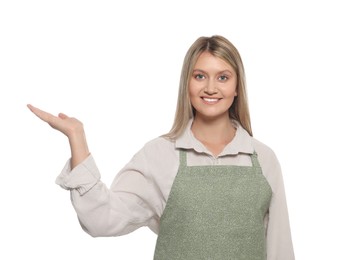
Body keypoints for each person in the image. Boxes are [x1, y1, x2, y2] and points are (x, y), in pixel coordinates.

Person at [27, 35, 295, 259]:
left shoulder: (263, 158)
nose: (211, 88)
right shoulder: (160, 154)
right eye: (200, 76)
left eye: (223, 77)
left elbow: (280, 248)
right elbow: (102, 220)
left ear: (237, 87)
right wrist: (77, 138)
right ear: (186, 84)